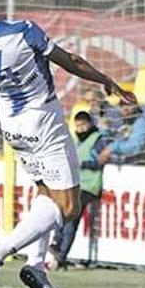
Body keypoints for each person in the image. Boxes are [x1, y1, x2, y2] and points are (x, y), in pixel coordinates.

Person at [0, 0, 137, 288]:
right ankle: (0, 251)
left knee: (46, 193)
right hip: (44, 121)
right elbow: (71, 61)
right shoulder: (23, 31)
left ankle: (36, 266)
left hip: (13, 127)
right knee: (68, 207)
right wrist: (107, 81)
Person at [49, 111, 111, 270]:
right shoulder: (78, 141)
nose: (80, 129)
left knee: (71, 218)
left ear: (90, 123)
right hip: (77, 185)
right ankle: (56, 245)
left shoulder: (97, 140)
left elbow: (100, 162)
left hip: (90, 186)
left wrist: (81, 163)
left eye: (83, 125)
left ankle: (61, 256)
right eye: (78, 126)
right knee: (61, 210)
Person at [98, 101, 145, 166]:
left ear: (137, 105)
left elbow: (134, 147)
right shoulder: (123, 122)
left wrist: (112, 148)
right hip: (119, 169)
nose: (125, 108)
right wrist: (105, 131)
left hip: (137, 170)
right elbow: (107, 147)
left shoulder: (142, 123)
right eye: (121, 105)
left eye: (129, 104)